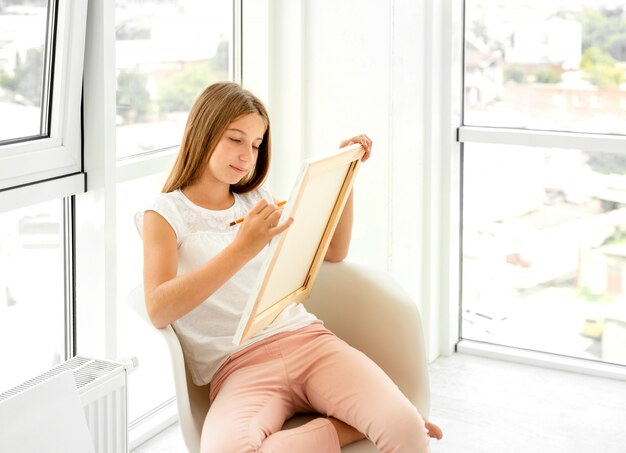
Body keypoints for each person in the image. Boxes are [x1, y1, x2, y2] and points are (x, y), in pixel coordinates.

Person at [136, 81, 442, 453]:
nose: (247, 155)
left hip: (306, 341)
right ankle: (347, 427)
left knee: (408, 434)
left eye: (256, 144)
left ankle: (373, 422)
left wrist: (347, 174)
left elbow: (335, 251)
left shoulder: (258, 200)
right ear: (203, 131)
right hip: (236, 367)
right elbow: (158, 307)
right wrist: (240, 249)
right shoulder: (164, 213)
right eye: (235, 139)